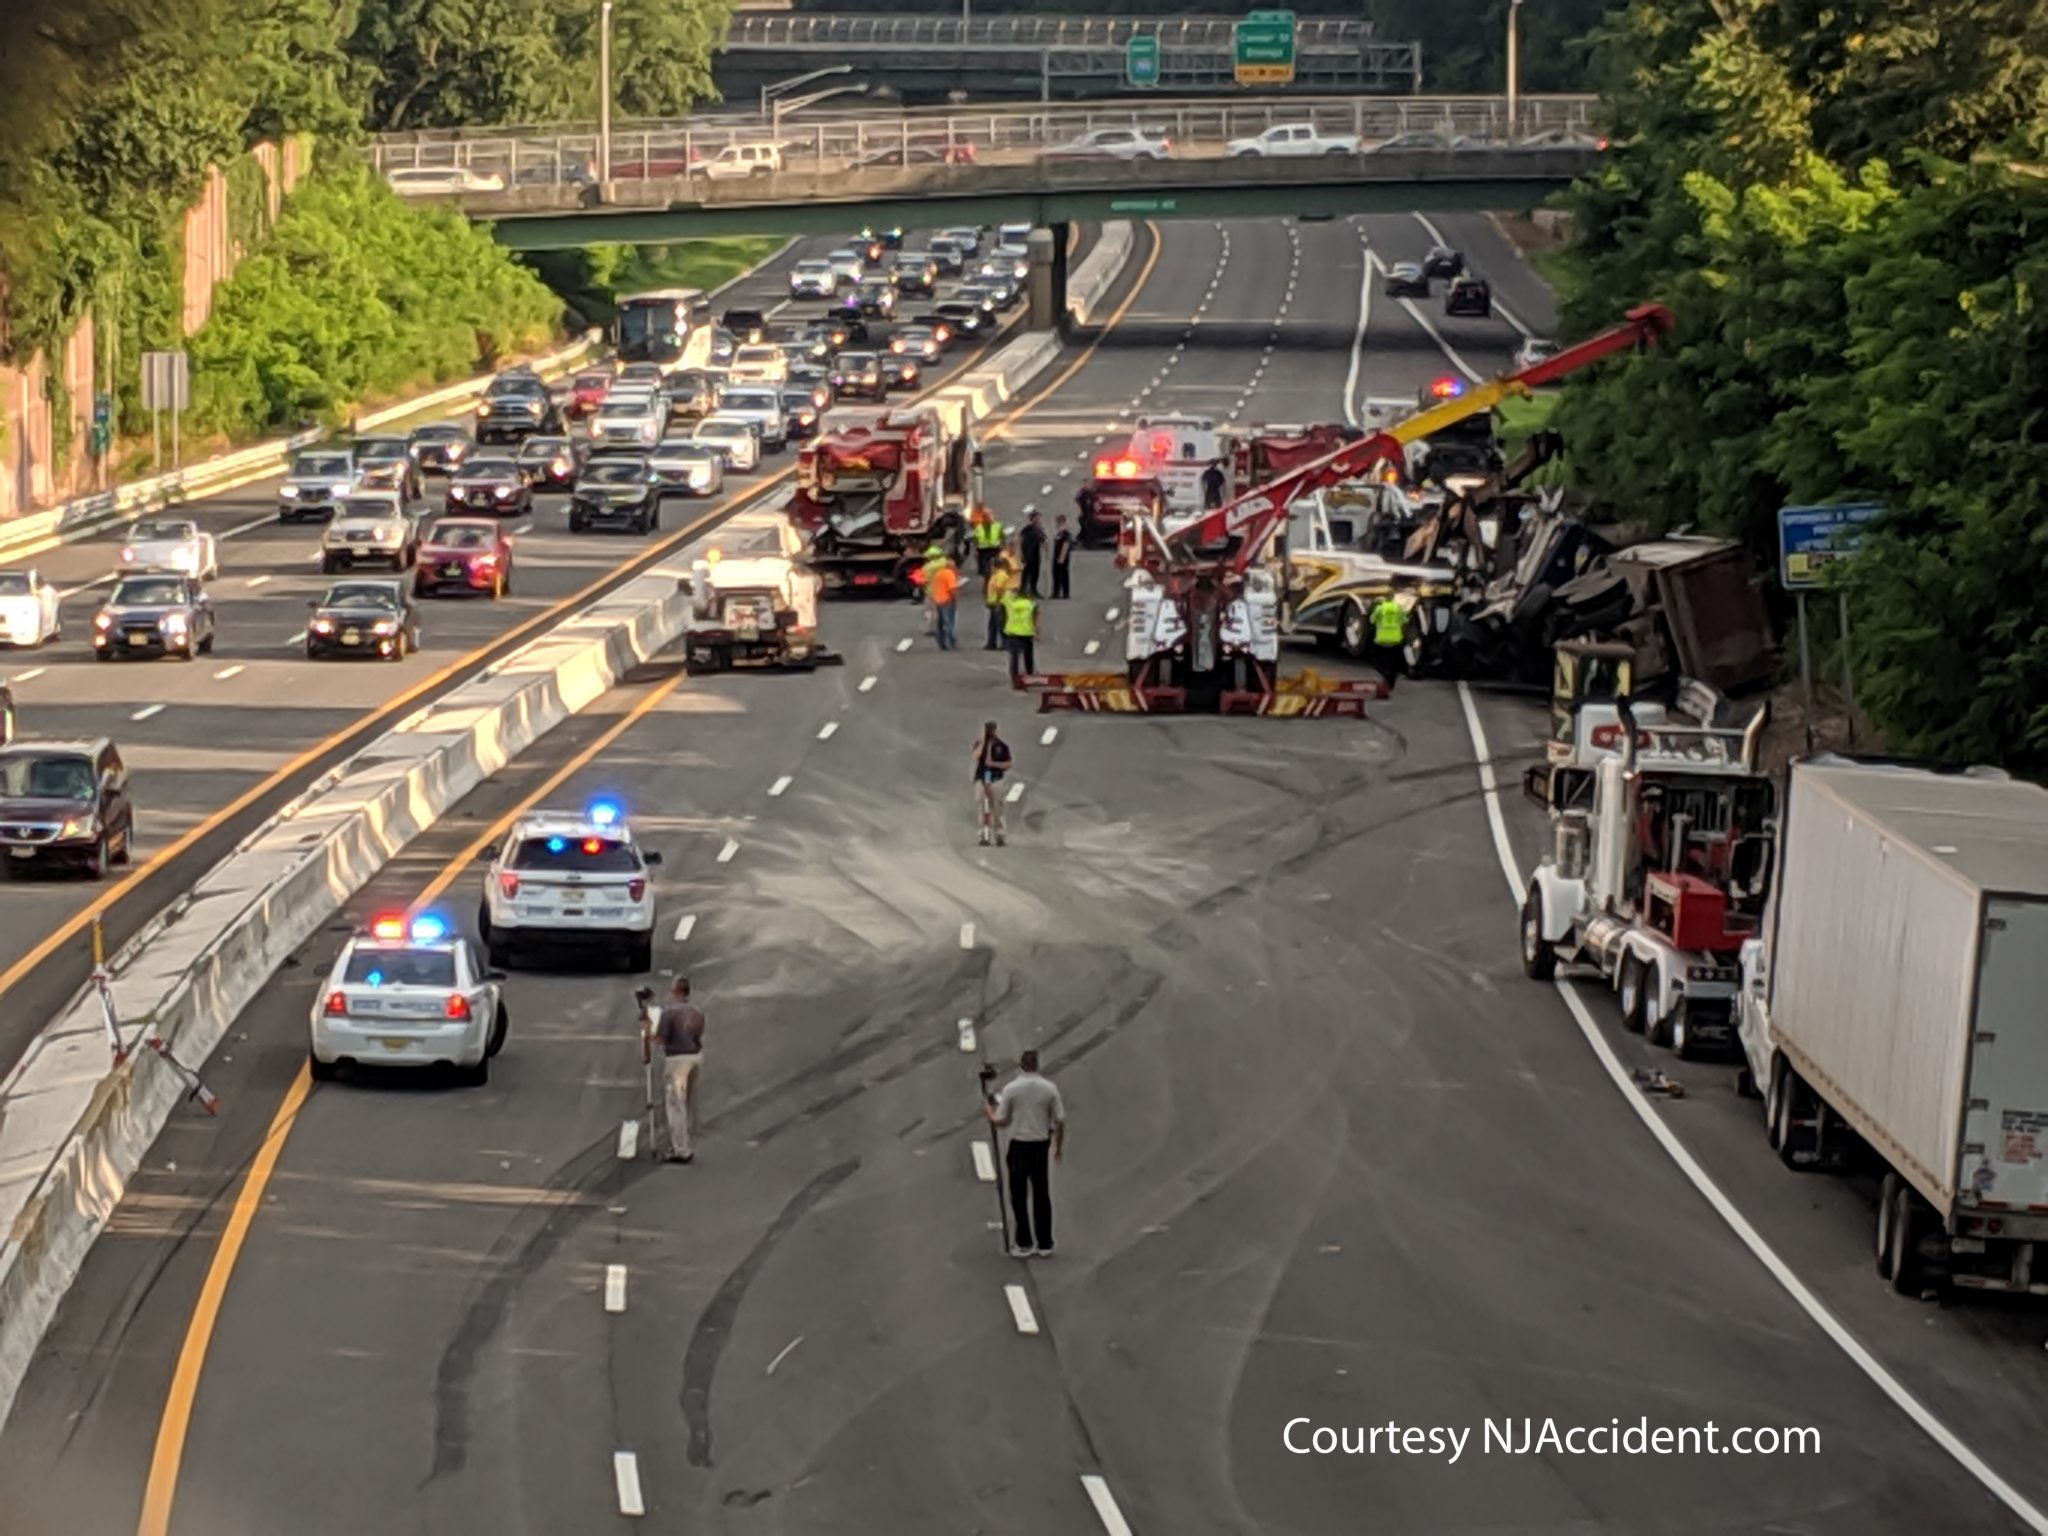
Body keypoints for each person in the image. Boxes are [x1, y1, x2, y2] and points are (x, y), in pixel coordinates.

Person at [985, 1049, 1065, 1257]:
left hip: (1019, 1145)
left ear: (1021, 1065)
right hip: (1040, 1145)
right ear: (1037, 1065)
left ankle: (1024, 1242)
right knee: (1041, 1194)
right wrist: (1058, 1146)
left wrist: (990, 1112)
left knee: (1019, 1195)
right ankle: (1045, 1242)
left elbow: (1002, 1121)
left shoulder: (1012, 1089)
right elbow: (1059, 1119)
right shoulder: (1049, 1088)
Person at [647, 976, 707, 1163]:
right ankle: (687, 1141)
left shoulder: (669, 1012)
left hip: (677, 1059)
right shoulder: (697, 1012)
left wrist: (649, 1033)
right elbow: (699, 1033)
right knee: (689, 1102)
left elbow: (660, 1039)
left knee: (675, 1104)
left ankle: (681, 1149)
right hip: (695, 1056)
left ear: (676, 991)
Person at [972, 719, 1012, 846]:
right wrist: (984, 741)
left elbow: (1008, 764)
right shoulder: (979, 744)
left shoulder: (1002, 746)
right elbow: (976, 756)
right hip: (981, 779)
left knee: (997, 807)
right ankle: (984, 834)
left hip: (995, 779)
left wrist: (994, 764)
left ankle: (1000, 834)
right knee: (982, 807)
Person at [1369, 586, 1409, 691]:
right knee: (1393, 663)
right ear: (1392, 597)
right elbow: (1405, 621)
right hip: (1395, 640)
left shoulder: (1380, 609)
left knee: (1381, 662)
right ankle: (1391, 683)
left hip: (1381, 640)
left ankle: (1384, 681)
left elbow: (1372, 620)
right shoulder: (1398, 608)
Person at [1002, 585, 1039, 683]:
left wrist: (1011, 589)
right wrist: (1037, 633)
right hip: (1027, 632)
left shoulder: (1010, 603)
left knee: (1014, 657)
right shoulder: (1031, 605)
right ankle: (1030, 673)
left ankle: (1015, 677)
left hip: (1013, 633)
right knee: (1028, 655)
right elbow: (1035, 619)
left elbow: (1005, 594)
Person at [983, 552, 1016, 652]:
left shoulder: (1001, 575)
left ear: (995, 566)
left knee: (1001, 624)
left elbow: (999, 589)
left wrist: (997, 602)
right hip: (993, 602)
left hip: (1000, 603)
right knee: (992, 624)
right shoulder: (995, 575)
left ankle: (1004, 643)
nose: (990, 568)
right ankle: (991, 643)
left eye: (991, 566)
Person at [929, 553, 960, 650]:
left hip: (939, 600)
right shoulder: (949, 574)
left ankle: (941, 642)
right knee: (950, 622)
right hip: (948, 600)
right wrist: (955, 598)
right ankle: (952, 642)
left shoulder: (939, 573)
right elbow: (952, 589)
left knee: (941, 623)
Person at [970, 505, 1005, 577]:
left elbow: (1002, 537)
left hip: (995, 549)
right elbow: (975, 540)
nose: (988, 518)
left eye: (989, 516)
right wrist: (976, 549)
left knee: (998, 567)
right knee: (985, 570)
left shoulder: (998, 526)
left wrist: (1002, 547)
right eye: (985, 516)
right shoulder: (978, 527)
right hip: (983, 550)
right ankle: (986, 581)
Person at [1018, 512, 1046, 597]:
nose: (1038, 520)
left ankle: (1033, 589)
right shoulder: (1028, 528)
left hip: (1035, 553)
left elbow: (1043, 540)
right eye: (1036, 518)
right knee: (1026, 572)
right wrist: (1021, 553)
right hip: (1027, 552)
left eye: (1039, 518)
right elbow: (1020, 538)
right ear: (1032, 519)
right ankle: (1023, 590)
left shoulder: (1039, 529)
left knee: (1035, 572)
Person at [1050, 514, 1075, 600]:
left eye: (1059, 522)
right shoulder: (1058, 533)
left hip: (1062, 557)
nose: (1057, 524)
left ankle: (1065, 593)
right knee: (1056, 574)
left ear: (1063, 522)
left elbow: (1066, 545)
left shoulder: (1066, 533)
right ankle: (1056, 592)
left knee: (1063, 575)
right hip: (1057, 555)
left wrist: (1061, 557)